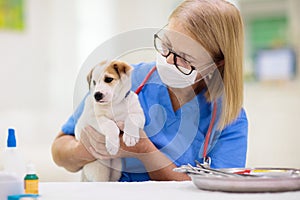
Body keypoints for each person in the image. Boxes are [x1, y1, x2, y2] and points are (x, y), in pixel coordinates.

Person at [51, 0, 248, 182]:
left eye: (185, 57)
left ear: (216, 63)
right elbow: (59, 150)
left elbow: (220, 189)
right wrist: (87, 149)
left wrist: (144, 151)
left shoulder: (229, 118)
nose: (169, 60)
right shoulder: (125, 80)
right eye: (166, 46)